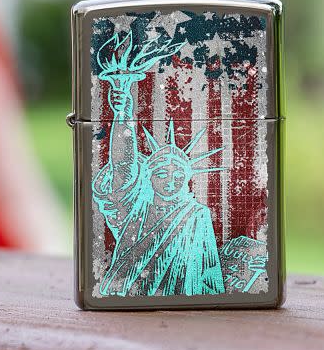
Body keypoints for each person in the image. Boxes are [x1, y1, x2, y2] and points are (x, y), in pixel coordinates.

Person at [92, 29, 225, 297]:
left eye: (179, 175)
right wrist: (124, 114)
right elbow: (124, 163)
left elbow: (210, 270)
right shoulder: (134, 205)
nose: (171, 180)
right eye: (162, 172)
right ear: (148, 177)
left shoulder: (197, 215)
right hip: (127, 293)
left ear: (188, 179)